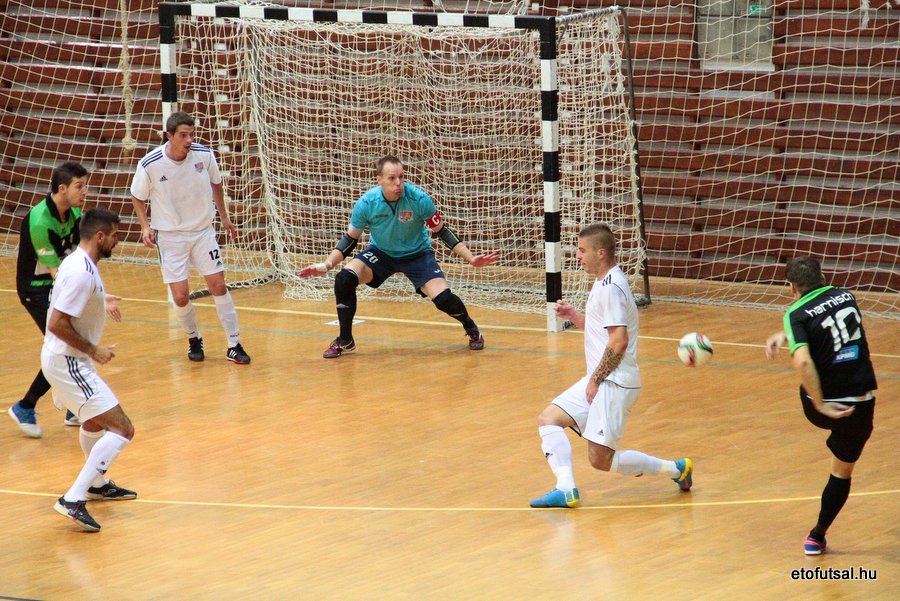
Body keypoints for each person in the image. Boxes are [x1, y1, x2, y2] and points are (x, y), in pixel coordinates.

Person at [530, 224, 692, 509]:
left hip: (614, 382)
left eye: (582, 250)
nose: (578, 256)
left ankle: (677, 469)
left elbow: (618, 342)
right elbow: (603, 331)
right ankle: (565, 489)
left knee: (600, 460)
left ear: (601, 253)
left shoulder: (612, 288)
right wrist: (576, 317)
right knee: (549, 419)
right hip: (602, 378)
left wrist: (595, 380)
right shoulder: (603, 282)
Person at [299, 155, 500, 358]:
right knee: (344, 278)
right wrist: (327, 264)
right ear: (379, 180)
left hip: (417, 255)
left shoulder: (419, 199)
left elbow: (442, 231)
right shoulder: (367, 203)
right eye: (392, 178)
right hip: (381, 253)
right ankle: (345, 340)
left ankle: (471, 327)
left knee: (443, 299)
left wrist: (470, 258)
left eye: (402, 177)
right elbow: (350, 240)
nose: (398, 183)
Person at [765, 257, 877, 556]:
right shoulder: (846, 295)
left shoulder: (795, 314)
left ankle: (822, 407)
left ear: (791, 287)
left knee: (809, 369)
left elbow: (803, 361)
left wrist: (820, 404)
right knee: (841, 472)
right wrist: (789, 334)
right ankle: (816, 536)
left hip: (823, 407)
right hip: (860, 406)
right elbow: (830, 324)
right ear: (823, 277)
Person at [9, 162, 121, 438]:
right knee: (61, 346)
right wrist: (93, 296)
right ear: (62, 189)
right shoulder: (39, 220)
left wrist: (97, 295)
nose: (85, 191)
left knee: (68, 346)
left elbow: (79, 257)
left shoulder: (75, 215)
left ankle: (73, 405)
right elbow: (59, 272)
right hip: (36, 288)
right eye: (79, 186)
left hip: (58, 283)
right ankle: (25, 406)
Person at [42, 208, 137, 531]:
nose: (117, 241)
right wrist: (93, 350)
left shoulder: (77, 262)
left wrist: (100, 298)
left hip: (67, 360)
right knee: (122, 428)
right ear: (99, 237)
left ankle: (96, 484)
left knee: (95, 421)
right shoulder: (82, 272)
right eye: (114, 236)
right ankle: (73, 498)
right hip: (68, 361)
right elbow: (57, 323)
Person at [130, 111, 250, 364]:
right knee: (181, 296)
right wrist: (145, 227)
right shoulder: (150, 163)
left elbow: (216, 183)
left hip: (203, 232)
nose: (189, 140)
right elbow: (137, 196)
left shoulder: (204, 155)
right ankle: (194, 337)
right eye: (183, 135)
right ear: (169, 136)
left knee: (218, 286)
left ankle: (234, 344)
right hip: (170, 237)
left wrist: (224, 217)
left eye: (191, 134)